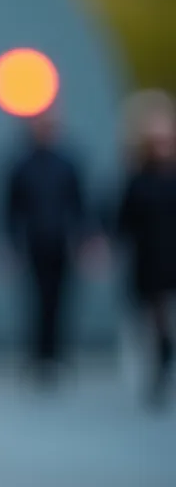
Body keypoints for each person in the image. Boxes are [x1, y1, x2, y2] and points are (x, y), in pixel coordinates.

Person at [1, 111, 90, 388]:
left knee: (60, 301)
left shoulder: (67, 164)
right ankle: (38, 355)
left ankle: (56, 354)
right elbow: (10, 208)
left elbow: (79, 204)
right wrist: (11, 245)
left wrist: (85, 240)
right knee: (36, 300)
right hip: (34, 243)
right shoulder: (22, 165)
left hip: (61, 243)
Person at [114, 103, 176, 411]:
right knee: (153, 323)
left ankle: (163, 365)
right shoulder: (138, 179)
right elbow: (123, 220)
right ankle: (158, 372)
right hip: (149, 261)